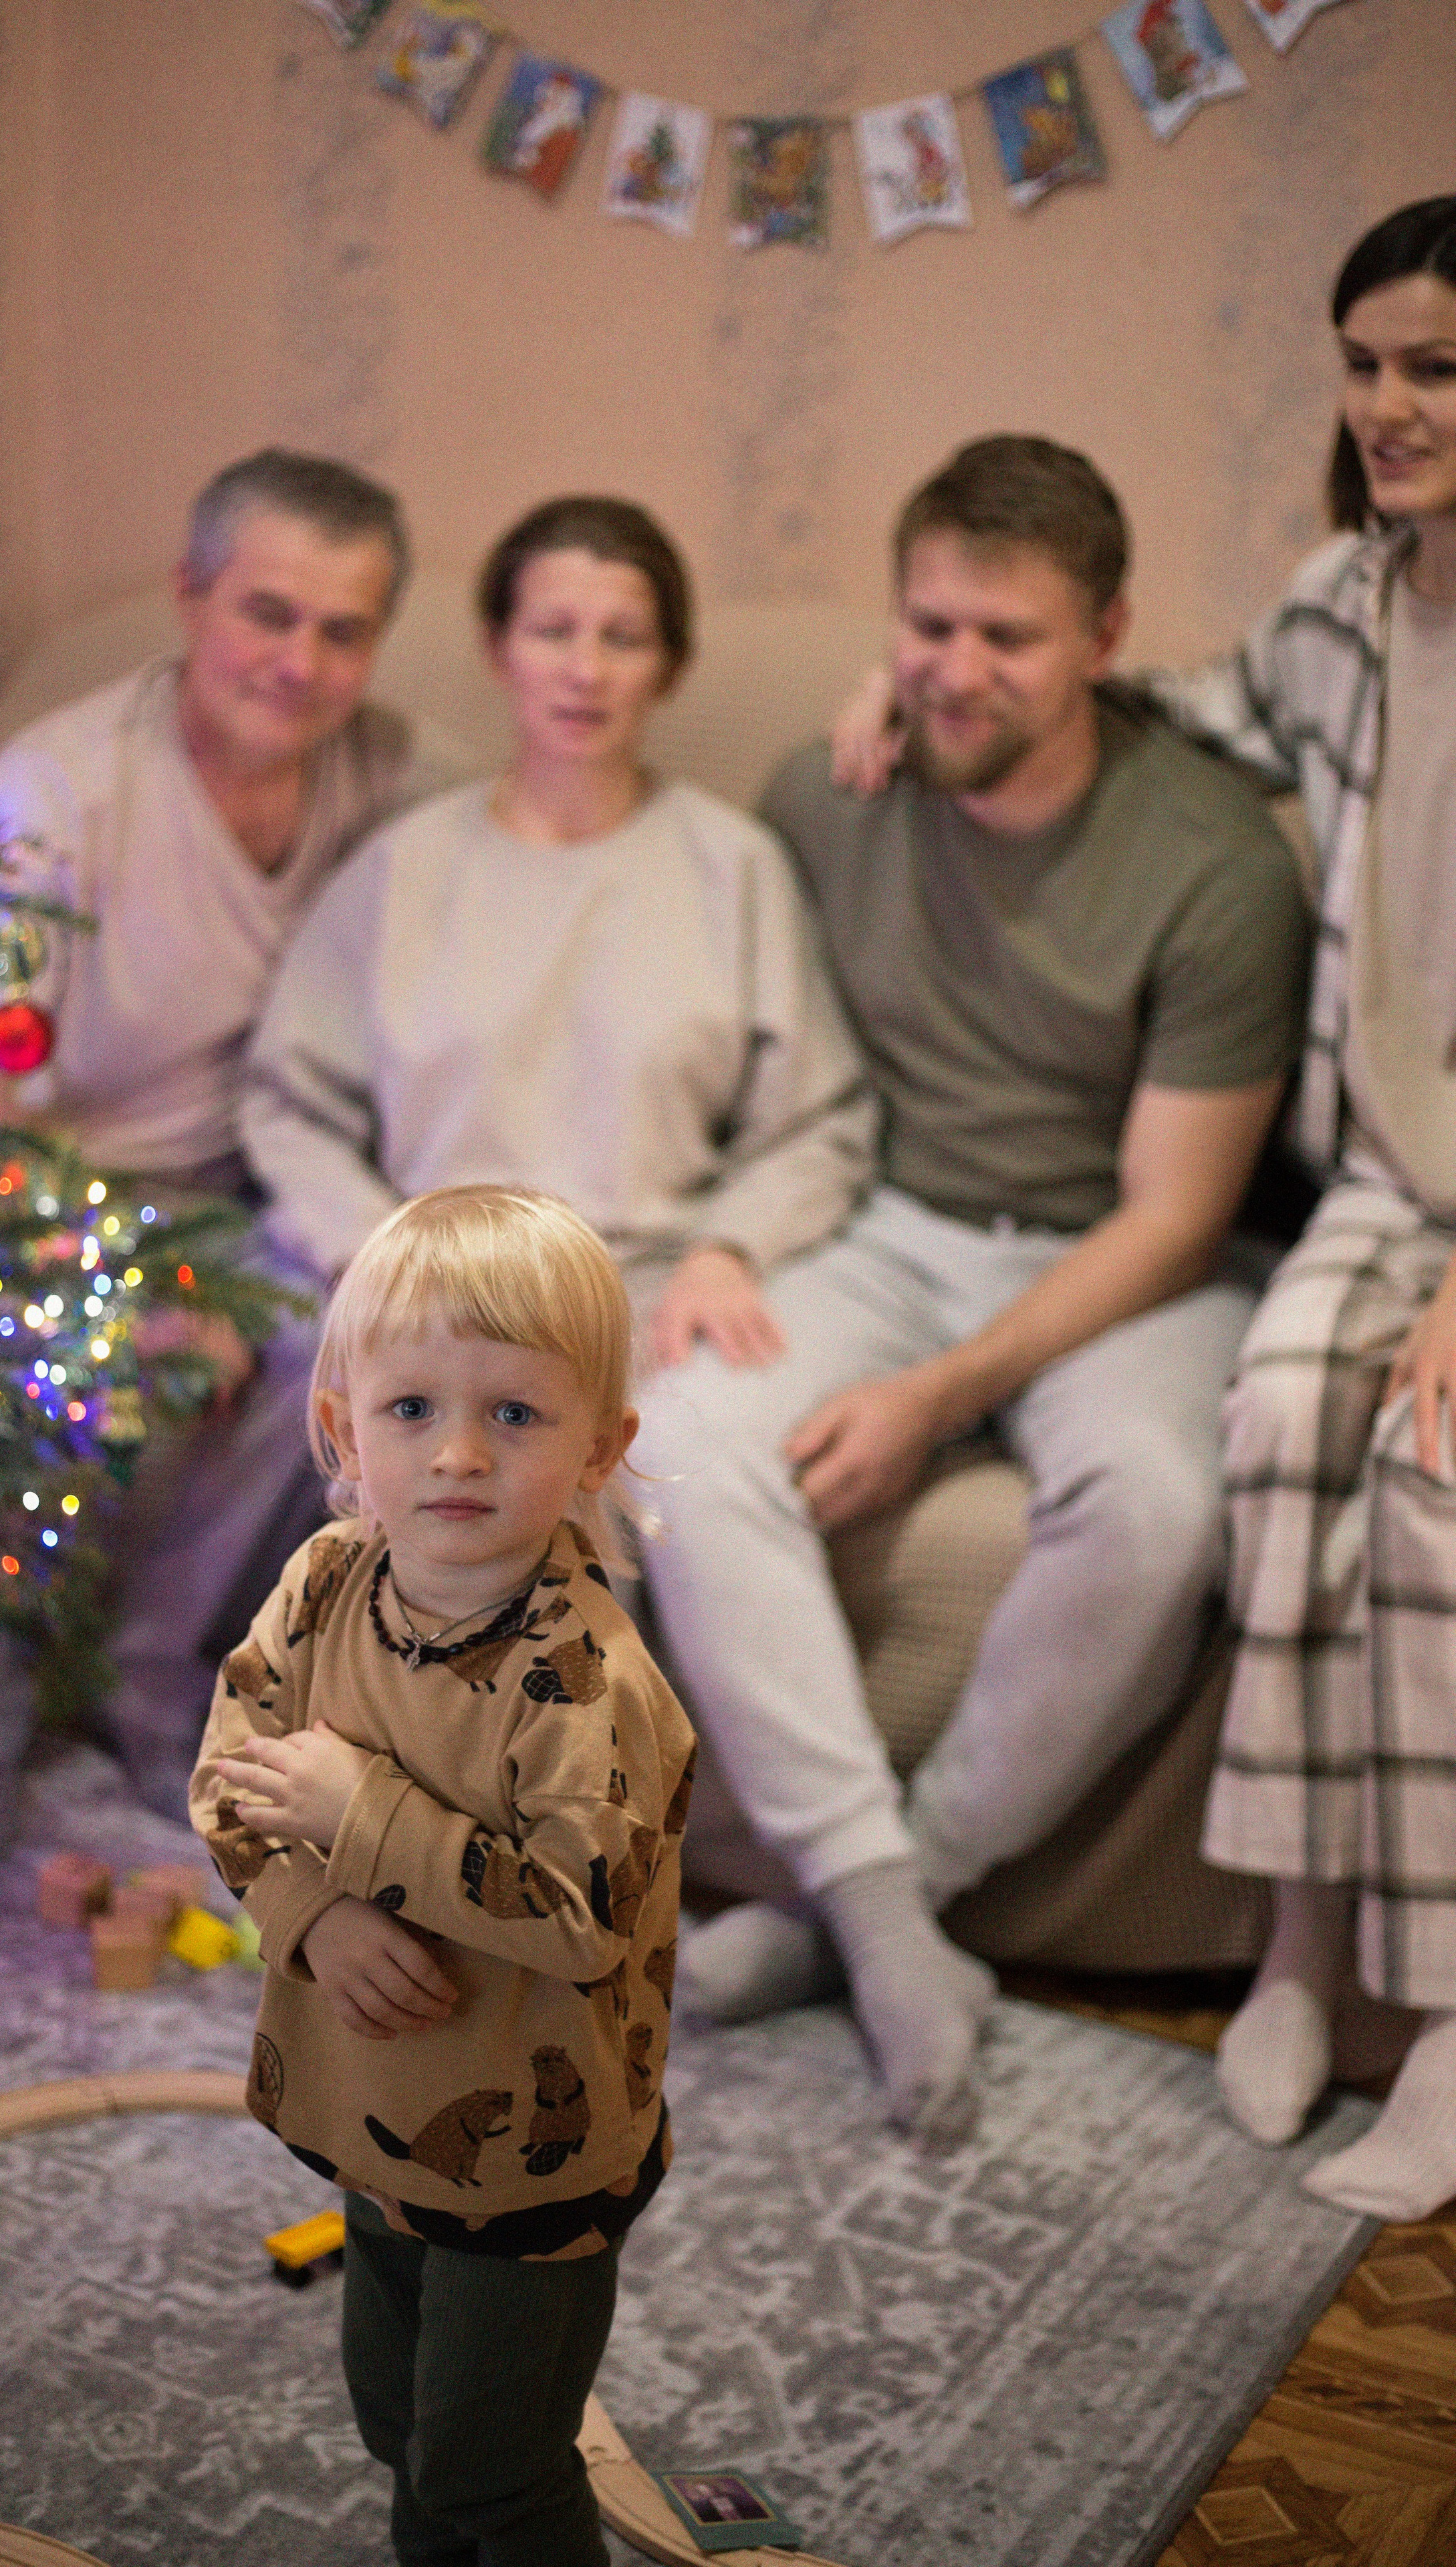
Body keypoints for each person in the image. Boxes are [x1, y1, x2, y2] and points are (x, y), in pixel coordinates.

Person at [632, 436, 1312, 2141]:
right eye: (927, 625)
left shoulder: (1214, 857)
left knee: (1155, 1506)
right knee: (681, 1446)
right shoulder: (826, 791)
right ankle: (875, 1913)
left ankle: (877, 1910)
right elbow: (770, 1072)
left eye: (1007, 636)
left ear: (1106, 636)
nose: (955, 670)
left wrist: (937, 1400)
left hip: (1127, 1256)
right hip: (884, 1219)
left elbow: (1172, 1216)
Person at [0, 449, 447, 1845]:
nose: (300, 662)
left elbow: (551, 832)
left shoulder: (391, 775)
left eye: (343, 630)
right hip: (41, 1190)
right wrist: (127, 1285)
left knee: (356, 1339)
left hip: (264, 1185)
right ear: (189, 597)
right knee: (17, 1368)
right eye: (267, 613)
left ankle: (169, 1694)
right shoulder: (64, 787)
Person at [189, 1186, 695, 2567]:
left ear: (601, 1447)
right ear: (346, 1429)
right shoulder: (323, 1583)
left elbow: (579, 1916)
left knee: (493, 2470)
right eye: (412, 1410)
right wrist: (309, 1911)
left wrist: (359, 1816)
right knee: (398, 2429)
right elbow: (229, 1769)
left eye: (515, 1416)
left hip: (532, 2159)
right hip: (373, 2109)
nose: (459, 1453)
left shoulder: (585, 1683)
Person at [1143, 200, 1456, 2223]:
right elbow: (1208, 708)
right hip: (1390, 1176)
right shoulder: (1349, 601)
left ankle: (1449, 2033)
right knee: (1273, 1423)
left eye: (1433, 366)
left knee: (1435, 1472)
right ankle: (1295, 1959)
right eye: (1362, 365)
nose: (1384, 406)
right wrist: (956, 697)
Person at [241, 493, 874, 1366]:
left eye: (624, 638)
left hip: (647, 1297)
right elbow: (290, 1105)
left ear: (671, 667)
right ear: (499, 649)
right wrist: (366, 1254)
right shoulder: (403, 867)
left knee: (693, 1451)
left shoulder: (736, 868)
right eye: (554, 632)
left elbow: (817, 1123)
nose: (587, 670)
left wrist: (727, 1253)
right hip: (429, 1288)